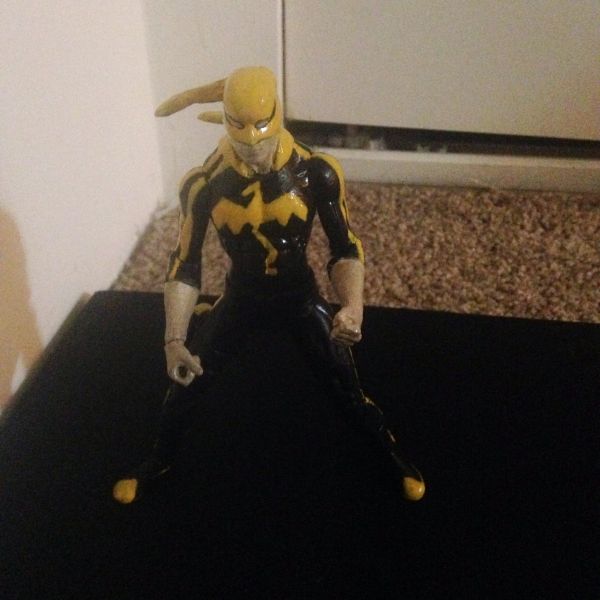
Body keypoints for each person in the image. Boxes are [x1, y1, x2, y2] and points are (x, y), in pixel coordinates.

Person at [112, 67, 424, 504]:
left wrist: (352, 305)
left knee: (346, 386)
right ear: (226, 124)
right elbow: (185, 264)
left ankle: (389, 455)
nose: (253, 147)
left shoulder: (316, 172)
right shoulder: (203, 185)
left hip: (299, 296)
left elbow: (345, 247)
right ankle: (158, 460)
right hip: (241, 297)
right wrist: (174, 339)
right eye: (241, 135)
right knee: (186, 381)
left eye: (261, 133)